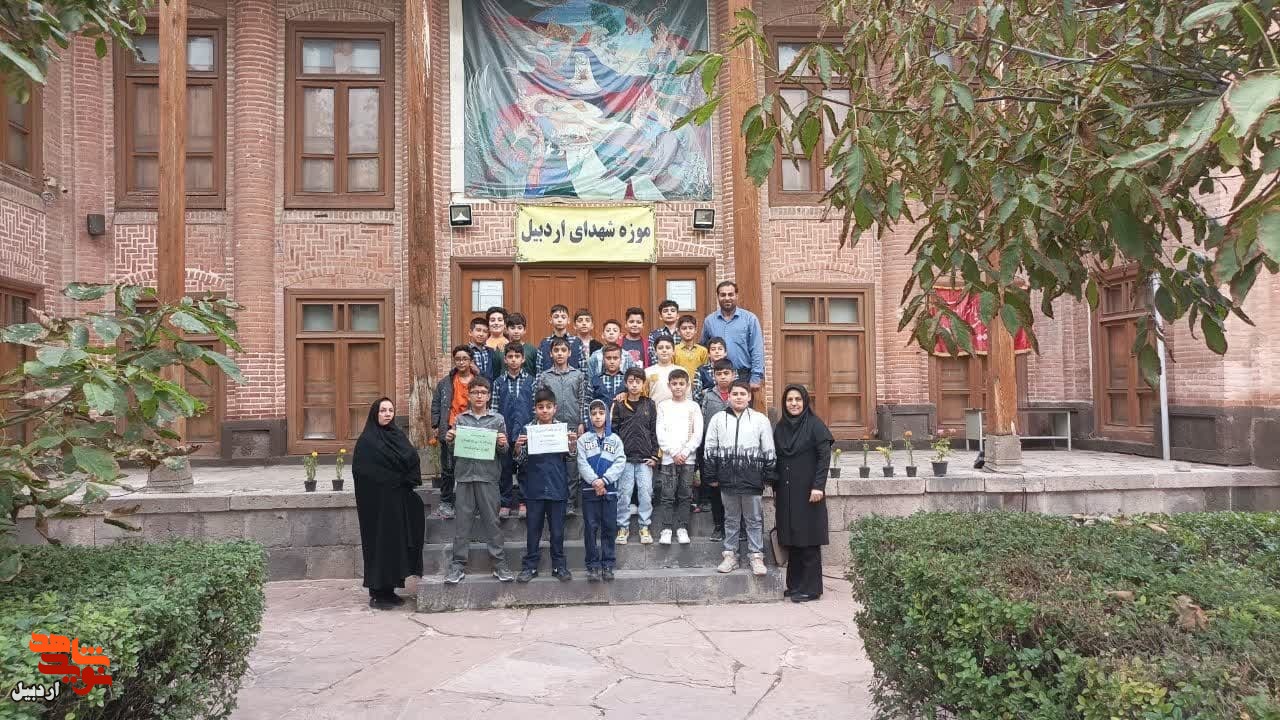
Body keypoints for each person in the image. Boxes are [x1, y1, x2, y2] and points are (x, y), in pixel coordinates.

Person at [353, 397, 424, 609]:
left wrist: (404, 479)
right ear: (375, 413)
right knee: (379, 545)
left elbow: (412, 457)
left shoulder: (397, 435)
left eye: (390, 410)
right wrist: (393, 478)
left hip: (397, 501)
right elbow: (363, 472)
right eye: (383, 410)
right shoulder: (367, 441)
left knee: (396, 544)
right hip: (376, 505)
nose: (387, 414)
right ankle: (377, 592)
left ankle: (391, 589)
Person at [444, 377, 514, 585]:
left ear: (489, 396)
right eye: (475, 392)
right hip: (465, 476)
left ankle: (499, 564)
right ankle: (457, 566)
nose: (479, 396)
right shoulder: (460, 419)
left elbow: (504, 451)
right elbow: (454, 450)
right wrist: (450, 441)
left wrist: (502, 443)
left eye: (483, 392)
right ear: (469, 395)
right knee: (462, 524)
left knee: (492, 522)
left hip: (488, 477)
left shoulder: (497, 419)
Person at [704, 380, 776, 576]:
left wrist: (768, 475)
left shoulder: (760, 420)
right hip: (727, 478)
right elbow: (710, 447)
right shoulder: (718, 419)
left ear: (749, 397)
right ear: (728, 396)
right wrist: (711, 474)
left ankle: (756, 556)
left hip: (752, 477)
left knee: (754, 519)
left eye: (742, 394)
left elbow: (768, 448)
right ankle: (730, 555)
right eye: (735, 394)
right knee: (731, 519)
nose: (738, 397)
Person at [773, 384, 834, 602]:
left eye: (798, 399)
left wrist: (819, 486)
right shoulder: (781, 427)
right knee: (792, 538)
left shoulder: (815, 426)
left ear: (805, 401)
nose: (794, 404)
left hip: (809, 491)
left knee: (808, 538)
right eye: (789, 400)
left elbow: (824, 458)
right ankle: (795, 585)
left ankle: (811, 588)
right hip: (787, 491)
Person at [515, 388, 575, 583]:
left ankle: (559, 566)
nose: (545, 410)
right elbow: (521, 461)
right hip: (534, 488)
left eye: (549, 407)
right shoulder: (528, 429)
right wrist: (518, 448)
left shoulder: (562, 429)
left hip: (557, 486)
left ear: (555, 408)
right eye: (541, 407)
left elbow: (570, 457)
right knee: (533, 530)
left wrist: (572, 445)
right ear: (535, 409)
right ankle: (530, 566)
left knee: (557, 531)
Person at [533, 337, 588, 516]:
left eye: (563, 350)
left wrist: (582, 422)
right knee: (553, 464)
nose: (560, 354)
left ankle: (570, 503)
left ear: (569, 353)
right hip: (551, 426)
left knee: (572, 466)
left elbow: (583, 399)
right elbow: (539, 401)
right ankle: (553, 499)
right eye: (556, 350)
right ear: (550, 353)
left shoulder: (578, 375)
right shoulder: (544, 376)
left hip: (573, 425)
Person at [577, 399, 625, 582]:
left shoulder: (615, 440)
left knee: (609, 528)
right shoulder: (583, 440)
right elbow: (581, 463)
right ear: (589, 417)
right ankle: (592, 565)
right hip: (590, 491)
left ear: (607, 416)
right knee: (590, 529)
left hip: (609, 491)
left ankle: (608, 564)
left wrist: (604, 481)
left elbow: (620, 462)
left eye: (601, 413)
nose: (597, 417)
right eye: (594, 413)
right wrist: (595, 482)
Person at [655, 368, 702, 545]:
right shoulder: (663, 406)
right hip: (669, 458)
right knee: (667, 495)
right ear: (669, 385)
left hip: (688, 458)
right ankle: (666, 529)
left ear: (687, 385)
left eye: (681, 384)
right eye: (674, 384)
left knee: (685, 494)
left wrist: (686, 451)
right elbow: (660, 432)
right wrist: (673, 452)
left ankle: (682, 528)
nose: (678, 387)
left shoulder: (693, 406)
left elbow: (697, 432)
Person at [429, 346, 476, 520]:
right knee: (448, 468)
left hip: (471, 429)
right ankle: (446, 502)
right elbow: (436, 403)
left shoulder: (478, 381)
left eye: (465, 359)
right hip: (450, 429)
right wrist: (436, 424)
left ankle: (471, 503)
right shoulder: (445, 382)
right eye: (458, 359)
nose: (461, 362)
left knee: (471, 468)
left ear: (471, 361)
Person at [613, 367, 658, 546]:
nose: (634, 385)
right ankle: (622, 527)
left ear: (643, 384)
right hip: (624, 458)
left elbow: (654, 431)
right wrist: (616, 455)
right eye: (631, 381)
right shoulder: (619, 404)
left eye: (638, 382)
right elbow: (614, 431)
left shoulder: (650, 404)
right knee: (623, 494)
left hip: (645, 458)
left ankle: (644, 526)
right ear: (625, 383)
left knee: (646, 493)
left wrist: (654, 455)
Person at [494, 343, 535, 519]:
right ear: (505, 359)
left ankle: (524, 502)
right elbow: (494, 410)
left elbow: (535, 409)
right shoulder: (498, 382)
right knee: (505, 468)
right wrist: (497, 432)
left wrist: (532, 430)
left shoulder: (532, 381)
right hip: (505, 432)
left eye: (517, 356)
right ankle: (505, 503)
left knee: (525, 469)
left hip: (525, 432)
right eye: (510, 356)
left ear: (523, 359)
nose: (513, 360)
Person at [700, 281, 765, 391]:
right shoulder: (709, 321)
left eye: (730, 294)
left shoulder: (749, 319)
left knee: (740, 403)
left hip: (743, 376)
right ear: (718, 297)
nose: (727, 298)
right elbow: (703, 348)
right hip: (717, 376)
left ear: (736, 296)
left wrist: (756, 377)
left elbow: (756, 349)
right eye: (723, 295)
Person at [698, 358, 736, 542]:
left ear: (733, 375)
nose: (723, 377)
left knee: (734, 491)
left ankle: (737, 527)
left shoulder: (738, 393)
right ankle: (718, 526)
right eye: (719, 374)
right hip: (713, 450)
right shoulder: (708, 395)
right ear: (714, 376)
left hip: (735, 450)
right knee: (715, 490)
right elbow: (703, 419)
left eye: (726, 373)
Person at [538, 304, 588, 372]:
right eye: (556, 317)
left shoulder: (577, 342)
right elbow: (539, 370)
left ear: (568, 320)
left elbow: (584, 369)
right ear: (550, 320)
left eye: (563, 317)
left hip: (574, 378)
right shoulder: (544, 343)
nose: (559, 320)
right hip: (548, 378)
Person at [673, 315, 708, 388]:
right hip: (679, 388)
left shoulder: (702, 351)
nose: (688, 331)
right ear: (678, 331)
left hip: (699, 388)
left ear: (695, 330)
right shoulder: (674, 350)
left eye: (691, 328)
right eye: (684, 328)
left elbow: (706, 371)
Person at [645, 336, 680, 404]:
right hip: (655, 409)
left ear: (673, 351)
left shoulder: (681, 371)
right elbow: (644, 395)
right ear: (655, 352)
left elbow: (688, 396)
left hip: (678, 409)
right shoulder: (647, 372)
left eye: (668, 347)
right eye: (660, 348)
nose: (664, 350)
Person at [647, 299, 681, 365]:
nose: (669, 313)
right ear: (660, 317)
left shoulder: (682, 333)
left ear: (677, 316)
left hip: (680, 369)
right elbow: (652, 355)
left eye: (672, 311)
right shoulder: (654, 335)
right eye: (665, 311)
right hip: (660, 368)